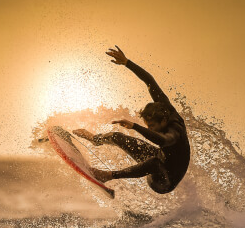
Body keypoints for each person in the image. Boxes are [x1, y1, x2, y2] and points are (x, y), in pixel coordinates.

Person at [73, 46, 190, 194]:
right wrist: (127, 62)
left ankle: (108, 175)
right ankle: (95, 139)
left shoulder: (175, 131)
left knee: (155, 163)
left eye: (153, 126)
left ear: (164, 120)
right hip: (159, 157)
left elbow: (162, 140)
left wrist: (135, 126)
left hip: (164, 180)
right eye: (148, 126)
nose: (150, 129)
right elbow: (149, 81)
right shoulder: (165, 106)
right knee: (117, 137)